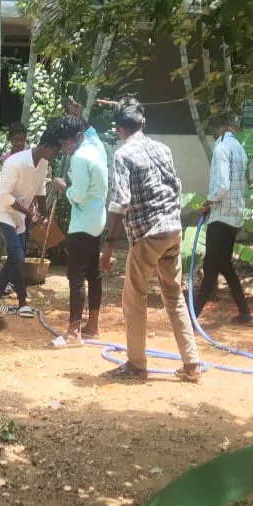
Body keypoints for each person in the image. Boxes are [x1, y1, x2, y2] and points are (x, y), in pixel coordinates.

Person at [101, 99, 203, 382]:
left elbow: (120, 201)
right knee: (174, 295)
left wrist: (109, 244)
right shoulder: (163, 149)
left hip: (147, 234)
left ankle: (136, 364)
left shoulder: (123, 154)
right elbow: (174, 186)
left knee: (134, 299)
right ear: (143, 123)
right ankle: (191, 363)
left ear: (119, 129)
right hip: (172, 231)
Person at [0, 118, 80, 316]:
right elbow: (4, 196)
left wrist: (44, 214)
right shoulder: (15, 163)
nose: (56, 156)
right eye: (55, 151)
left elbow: (39, 190)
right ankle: (22, 301)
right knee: (17, 256)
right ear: (45, 147)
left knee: (16, 257)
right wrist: (30, 213)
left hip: (20, 214)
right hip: (4, 211)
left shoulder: (43, 163)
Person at [192, 114, 253, 324]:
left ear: (217, 129)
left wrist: (208, 202)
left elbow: (222, 186)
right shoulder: (240, 149)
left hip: (220, 215)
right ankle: (245, 312)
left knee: (210, 267)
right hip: (234, 214)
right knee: (225, 265)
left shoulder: (221, 148)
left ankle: (192, 317)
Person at [59, 103, 108, 343]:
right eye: (62, 144)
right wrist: (81, 118)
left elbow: (77, 195)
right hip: (97, 221)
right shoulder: (96, 147)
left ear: (77, 138)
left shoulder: (79, 158)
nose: (65, 148)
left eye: (68, 143)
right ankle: (93, 325)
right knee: (93, 274)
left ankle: (74, 331)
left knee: (76, 277)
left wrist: (63, 188)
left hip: (81, 223)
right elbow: (92, 133)